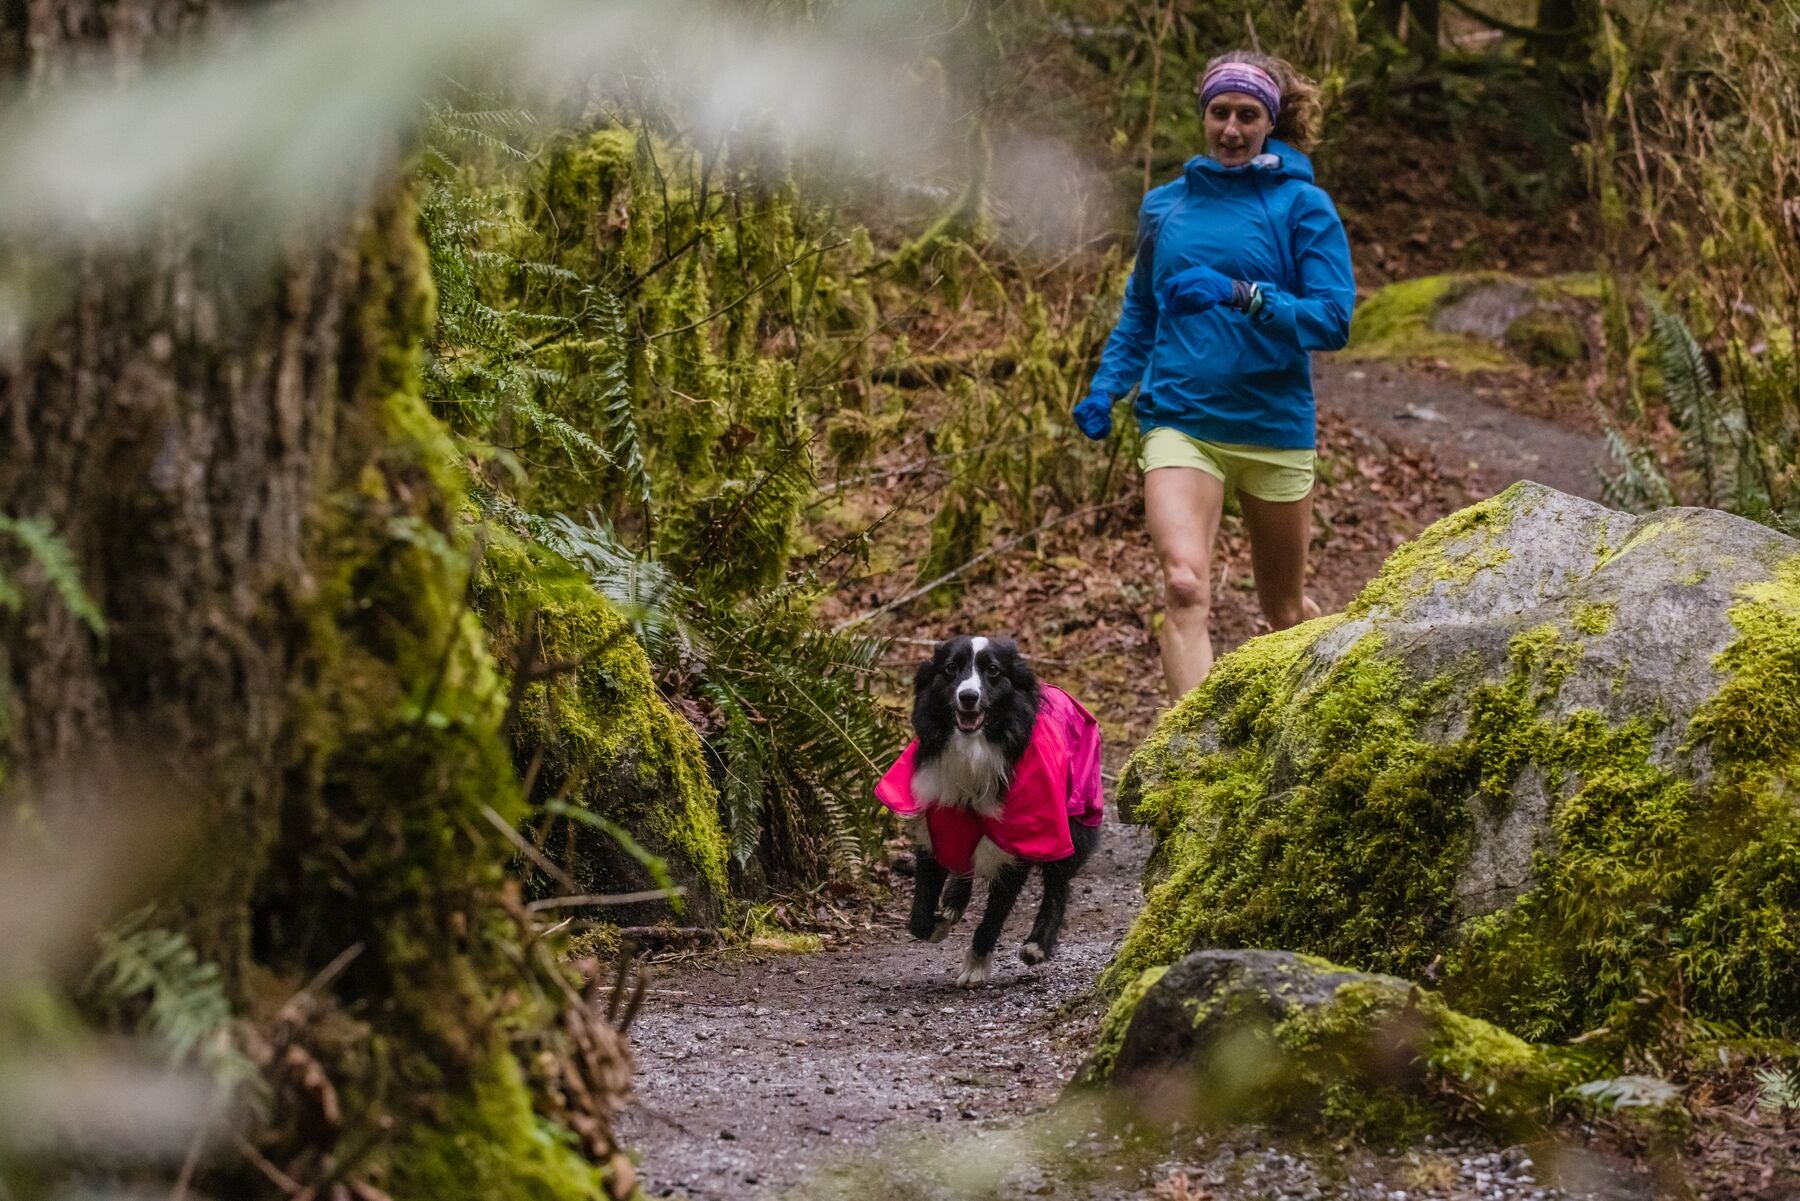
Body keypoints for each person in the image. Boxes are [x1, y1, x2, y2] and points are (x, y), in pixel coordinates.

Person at [1074, 50, 1355, 701]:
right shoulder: (1163, 208)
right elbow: (1141, 309)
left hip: (1273, 425)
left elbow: (1333, 320)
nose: (1231, 128)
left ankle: (1334, 698)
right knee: (1183, 584)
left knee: (1284, 611)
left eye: (1247, 115)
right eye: (1219, 112)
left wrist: (1243, 294)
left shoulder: (1302, 207)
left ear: (1271, 122)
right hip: (1181, 419)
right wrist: (1106, 384)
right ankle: (1193, 767)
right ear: (1203, 116)